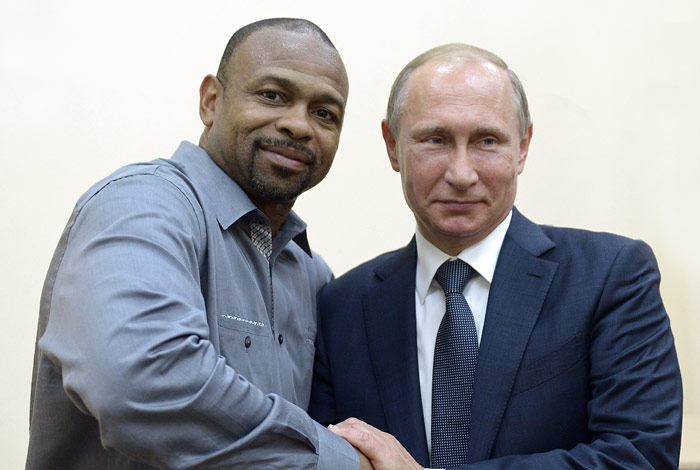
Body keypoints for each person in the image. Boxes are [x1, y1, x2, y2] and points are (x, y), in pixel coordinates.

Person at [309, 43, 683, 469]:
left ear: (522, 147)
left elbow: (641, 457)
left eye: (487, 141)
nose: (461, 174)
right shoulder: (342, 307)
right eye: (435, 140)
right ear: (393, 146)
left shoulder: (609, 275)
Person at [26, 18, 363, 470]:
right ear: (210, 101)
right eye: (272, 95)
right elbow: (139, 384)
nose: (298, 125)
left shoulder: (310, 274)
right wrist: (342, 463)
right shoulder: (142, 204)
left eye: (324, 114)